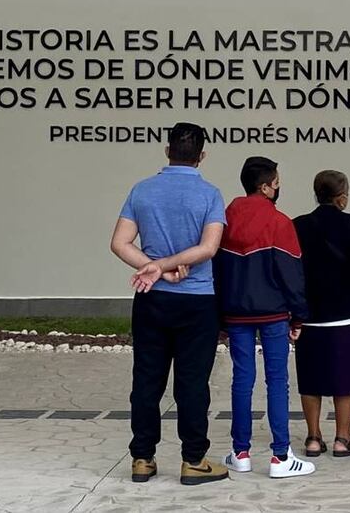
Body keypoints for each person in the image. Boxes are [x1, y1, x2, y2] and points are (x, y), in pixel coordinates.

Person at [110, 123, 230, 486]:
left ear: (167, 151)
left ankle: (142, 459)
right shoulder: (210, 194)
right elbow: (209, 249)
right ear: (202, 156)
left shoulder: (142, 190)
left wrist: (156, 268)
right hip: (197, 302)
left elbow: (119, 242)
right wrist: (168, 268)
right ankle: (193, 460)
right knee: (192, 383)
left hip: (151, 300)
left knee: (146, 380)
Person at [213, 156, 315, 479]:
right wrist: (298, 317)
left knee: (241, 380)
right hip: (273, 314)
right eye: (277, 182)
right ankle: (280, 456)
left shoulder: (225, 221)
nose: (279, 186)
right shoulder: (280, 222)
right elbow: (292, 275)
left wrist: (220, 319)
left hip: (235, 313)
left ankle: (240, 452)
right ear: (266, 186)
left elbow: (216, 270)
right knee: (277, 381)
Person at [292, 170, 350, 459]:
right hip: (348, 314)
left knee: (311, 377)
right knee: (345, 379)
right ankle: (343, 438)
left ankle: (314, 438)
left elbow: (293, 270)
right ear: (342, 196)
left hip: (310, 315)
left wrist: (296, 308)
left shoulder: (299, 225)